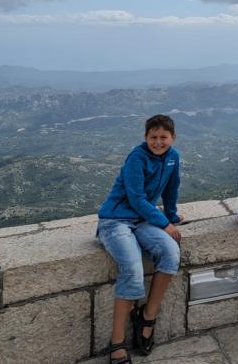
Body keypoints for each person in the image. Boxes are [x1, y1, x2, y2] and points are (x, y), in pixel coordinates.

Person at [96, 114, 184, 364]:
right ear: (145, 138)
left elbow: (171, 189)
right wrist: (164, 223)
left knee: (170, 253)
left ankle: (147, 316)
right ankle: (116, 343)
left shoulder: (173, 158)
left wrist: (172, 215)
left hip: (144, 220)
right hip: (116, 220)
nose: (158, 142)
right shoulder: (136, 157)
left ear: (172, 138)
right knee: (133, 269)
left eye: (163, 137)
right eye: (153, 137)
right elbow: (135, 198)